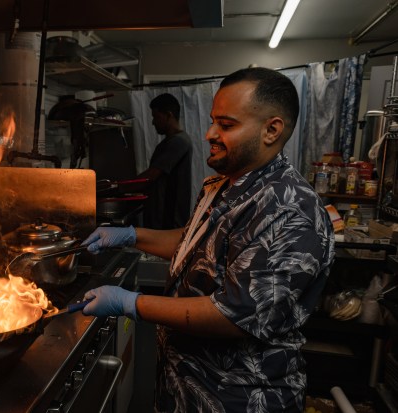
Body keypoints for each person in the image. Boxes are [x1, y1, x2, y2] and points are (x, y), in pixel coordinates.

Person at [81, 67, 335, 412]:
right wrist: (130, 235)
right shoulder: (222, 184)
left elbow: (232, 315)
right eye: (213, 121)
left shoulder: (289, 209)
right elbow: (196, 245)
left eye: (226, 125)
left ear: (271, 130)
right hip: (182, 386)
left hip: (236, 397)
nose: (209, 133)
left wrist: (131, 303)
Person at [134, 93, 193, 229]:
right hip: (162, 217)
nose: (153, 122)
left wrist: (118, 188)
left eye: (156, 116)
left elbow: (151, 176)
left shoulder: (178, 142)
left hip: (169, 219)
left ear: (168, 115)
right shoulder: (171, 141)